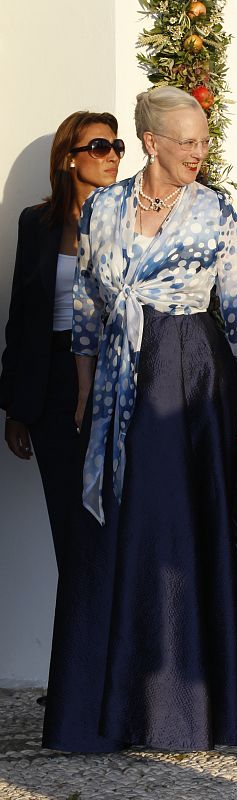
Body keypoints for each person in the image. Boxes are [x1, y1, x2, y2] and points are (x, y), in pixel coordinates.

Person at [43, 86, 237, 753]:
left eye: (204, 141)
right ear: (152, 142)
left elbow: (236, 309)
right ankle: (109, 705)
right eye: (187, 142)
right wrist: (84, 389)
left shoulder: (213, 211)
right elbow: (87, 307)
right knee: (115, 526)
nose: (199, 154)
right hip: (119, 376)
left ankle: (182, 707)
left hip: (187, 370)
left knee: (174, 525)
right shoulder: (106, 207)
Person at [0, 111, 123, 570]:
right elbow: (22, 315)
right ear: (69, 159)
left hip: (110, 379)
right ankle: (78, 635)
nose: (111, 156)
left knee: (111, 517)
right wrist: (15, 405)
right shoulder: (35, 224)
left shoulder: (127, 223)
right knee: (67, 521)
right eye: (98, 147)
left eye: (116, 147)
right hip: (51, 382)